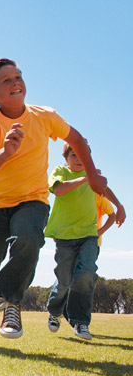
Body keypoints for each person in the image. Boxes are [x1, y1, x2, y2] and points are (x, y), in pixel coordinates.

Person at [0, 58, 107, 348]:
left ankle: (11, 302)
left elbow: (78, 139)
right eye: (6, 80)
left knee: (29, 237)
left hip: (33, 199)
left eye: (18, 76)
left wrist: (93, 173)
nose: (15, 83)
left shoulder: (44, 116)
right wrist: (7, 150)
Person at [45, 143, 125, 340]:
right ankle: (55, 311)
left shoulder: (92, 177)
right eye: (74, 155)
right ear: (66, 158)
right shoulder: (61, 171)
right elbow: (58, 190)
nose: (79, 159)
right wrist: (85, 179)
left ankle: (80, 322)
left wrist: (119, 206)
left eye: (83, 155)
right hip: (64, 236)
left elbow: (104, 189)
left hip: (88, 235)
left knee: (86, 274)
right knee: (64, 280)